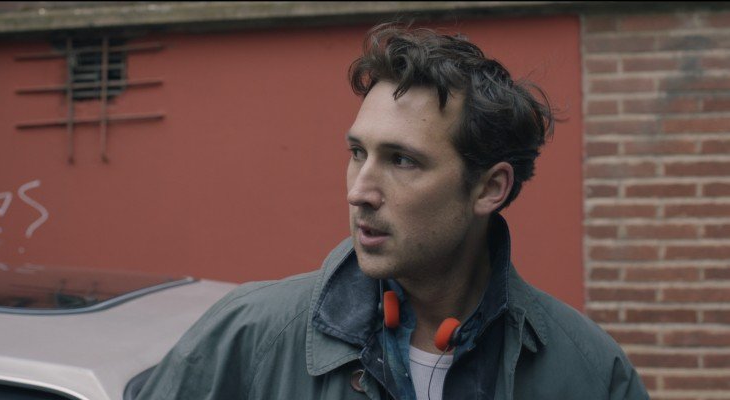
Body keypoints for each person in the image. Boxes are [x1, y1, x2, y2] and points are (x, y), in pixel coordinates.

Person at [135, 22, 648, 400]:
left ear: (490, 188)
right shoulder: (248, 338)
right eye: (358, 153)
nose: (360, 191)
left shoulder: (589, 371)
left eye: (402, 160)